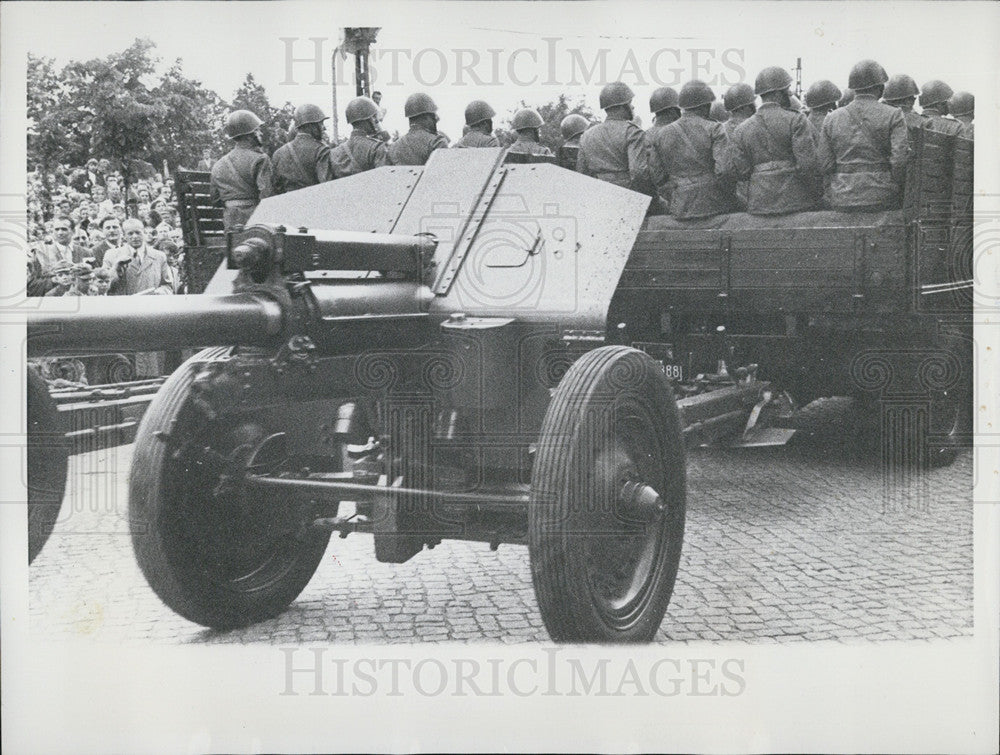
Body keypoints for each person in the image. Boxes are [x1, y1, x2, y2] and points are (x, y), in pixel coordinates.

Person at [817, 59, 909, 212]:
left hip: (842, 197)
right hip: (882, 195)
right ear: (880, 87)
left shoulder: (832, 118)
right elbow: (899, 161)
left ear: (854, 88)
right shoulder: (894, 114)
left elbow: (825, 164)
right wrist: (892, 185)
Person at [727, 67, 820, 215]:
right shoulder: (796, 119)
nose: (789, 94)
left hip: (759, 203)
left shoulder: (741, 129)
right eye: (787, 89)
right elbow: (807, 165)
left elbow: (741, 172)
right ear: (778, 93)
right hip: (795, 200)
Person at [645, 80, 734, 220]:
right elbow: (724, 171)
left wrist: (677, 193)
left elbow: (657, 176)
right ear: (707, 106)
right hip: (714, 205)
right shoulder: (715, 129)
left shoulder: (660, 135)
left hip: (680, 207)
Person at [577, 81, 650, 192]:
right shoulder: (633, 132)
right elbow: (639, 173)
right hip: (627, 197)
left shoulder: (586, 135)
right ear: (623, 106)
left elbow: (581, 174)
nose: (633, 106)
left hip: (597, 196)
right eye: (630, 103)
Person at [210, 109, 274, 230]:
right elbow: (267, 196)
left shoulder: (218, 165)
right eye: (257, 130)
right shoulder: (260, 159)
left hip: (230, 224)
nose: (261, 133)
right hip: (255, 223)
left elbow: (215, 199)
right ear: (250, 135)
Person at [271, 104, 335, 194]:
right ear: (312, 126)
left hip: (288, 206)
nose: (324, 128)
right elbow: (327, 187)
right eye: (321, 124)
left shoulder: (278, 154)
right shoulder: (321, 151)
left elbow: (275, 190)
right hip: (314, 205)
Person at [101, 218, 175, 295]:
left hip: (151, 304)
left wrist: (159, 292)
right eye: (130, 233)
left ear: (144, 233)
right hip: (123, 304)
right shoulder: (111, 255)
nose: (135, 236)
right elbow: (103, 285)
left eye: (138, 232)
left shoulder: (159, 256)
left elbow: (167, 285)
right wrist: (115, 269)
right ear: (124, 236)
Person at [329, 96, 390, 177]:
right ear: (368, 119)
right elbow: (385, 179)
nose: (376, 120)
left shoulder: (334, 153)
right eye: (373, 117)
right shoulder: (376, 148)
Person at [387, 93, 449, 166]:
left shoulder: (393, 147)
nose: (437, 119)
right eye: (433, 116)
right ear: (426, 117)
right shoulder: (437, 143)